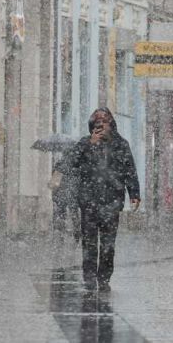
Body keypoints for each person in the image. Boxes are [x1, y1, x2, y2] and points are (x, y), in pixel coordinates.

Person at [57, 108, 140, 291]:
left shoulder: (121, 144)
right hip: (89, 202)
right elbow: (69, 163)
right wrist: (90, 145)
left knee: (108, 245)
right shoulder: (85, 143)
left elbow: (130, 171)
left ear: (112, 124)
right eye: (97, 123)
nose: (101, 125)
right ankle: (89, 277)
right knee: (89, 243)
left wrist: (134, 194)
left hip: (112, 202)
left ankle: (104, 277)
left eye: (105, 122)